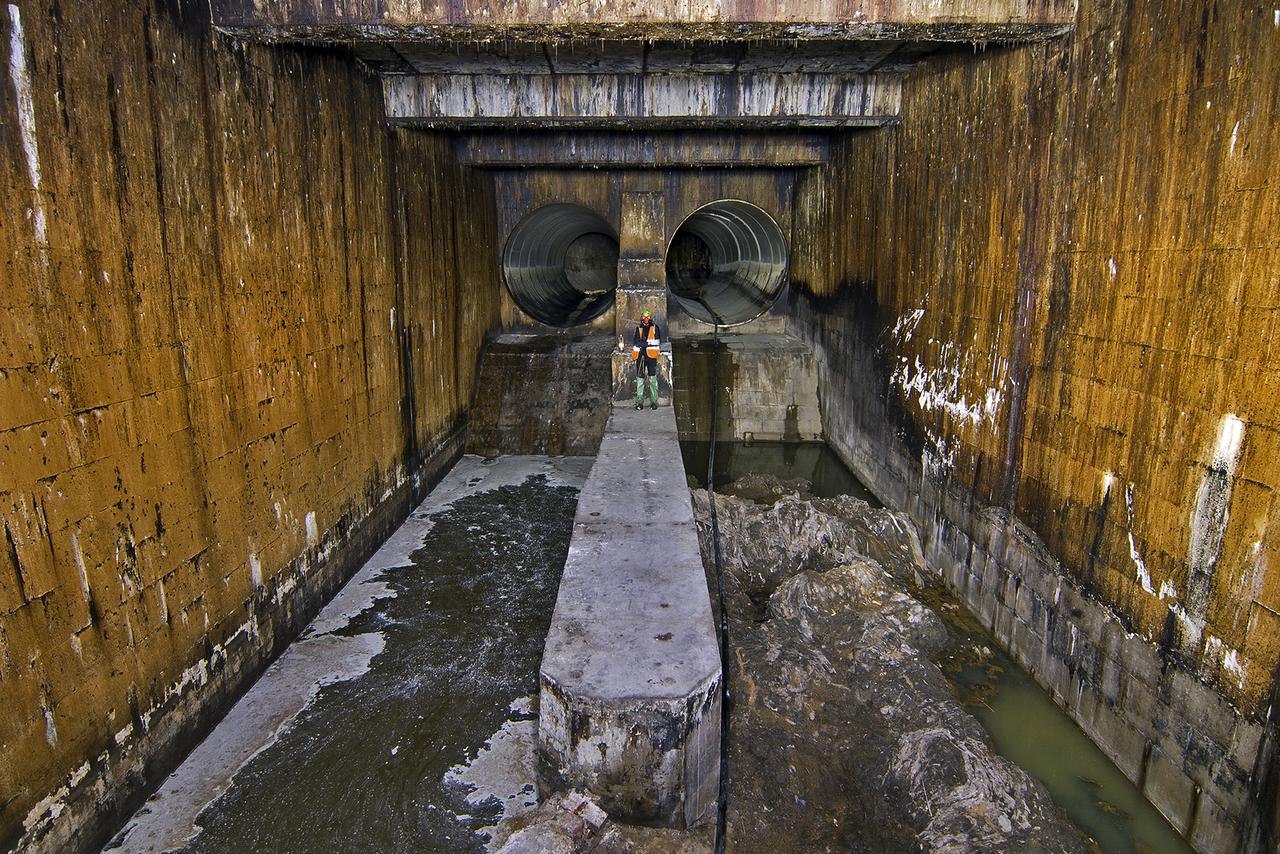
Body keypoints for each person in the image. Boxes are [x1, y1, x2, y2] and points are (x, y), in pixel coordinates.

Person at [631, 310, 662, 410]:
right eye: (644, 316)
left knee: (653, 379)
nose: (646, 318)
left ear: (650, 318)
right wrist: (646, 343)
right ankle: (639, 402)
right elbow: (636, 343)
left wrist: (644, 343)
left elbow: (656, 342)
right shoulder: (638, 328)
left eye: (647, 317)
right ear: (642, 317)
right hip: (640, 356)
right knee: (640, 379)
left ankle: (654, 402)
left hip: (651, 356)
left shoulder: (655, 328)